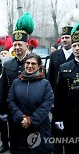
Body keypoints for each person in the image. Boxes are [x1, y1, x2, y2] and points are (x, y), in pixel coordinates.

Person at [7, 53, 54, 154]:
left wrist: (30, 120)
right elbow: (11, 101)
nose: (29, 66)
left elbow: (46, 105)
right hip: (19, 127)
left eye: (33, 63)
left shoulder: (45, 84)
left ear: (39, 66)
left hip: (40, 128)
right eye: (27, 63)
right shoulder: (16, 82)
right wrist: (21, 117)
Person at [2, 12, 34, 153]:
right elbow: (4, 90)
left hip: (32, 113)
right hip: (14, 114)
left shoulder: (35, 62)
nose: (17, 48)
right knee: (16, 146)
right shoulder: (7, 64)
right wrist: (3, 111)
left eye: (20, 44)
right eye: (14, 45)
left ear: (27, 45)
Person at [47, 26, 74, 154]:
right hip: (57, 100)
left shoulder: (76, 53)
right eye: (62, 38)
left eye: (67, 37)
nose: (64, 40)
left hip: (73, 101)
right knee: (57, 135)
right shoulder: (54, 55)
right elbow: (50, 77)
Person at [54, 23, 79, 154]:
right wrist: (58, 118)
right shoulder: (64, 67)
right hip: (70, 118)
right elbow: (59, 95)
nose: (77, 48)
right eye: (74, 45)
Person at [0, 35, 13, 153]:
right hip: (0, 100)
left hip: (12, 99)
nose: (3, 56)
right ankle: (4, 143)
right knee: (2, 125)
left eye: (5, 53)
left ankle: (14, 141)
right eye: (2, 54)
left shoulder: (14, 67)